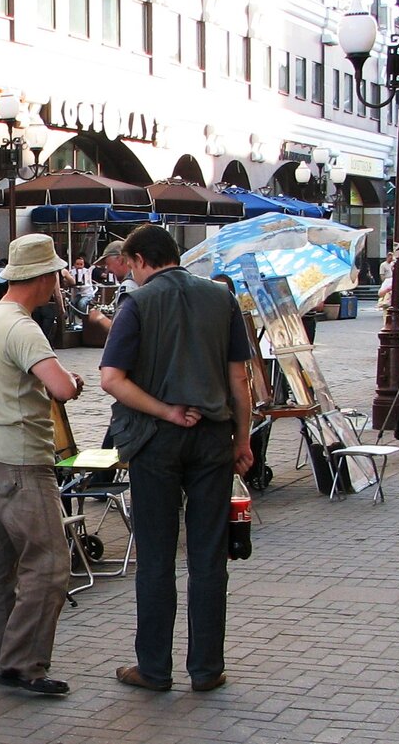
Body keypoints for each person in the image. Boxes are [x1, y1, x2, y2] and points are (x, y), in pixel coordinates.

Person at [99, 224, 253, 694]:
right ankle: (206, 669)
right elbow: (239, 379)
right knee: (209, 556)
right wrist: (242, 440)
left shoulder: (139, 303)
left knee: (157, 557)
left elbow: (111, 378)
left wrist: (165, 410)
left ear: (142, 259)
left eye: (131, 265)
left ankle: (154, 667)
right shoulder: (220, 298)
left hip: (156, 440)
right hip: (213, 438)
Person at [0, 233, 85, 696]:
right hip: (20, 458)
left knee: (0, 567)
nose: (59, 281)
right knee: (51, 564)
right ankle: (23, 663)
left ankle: (0, 658)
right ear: (43, 278)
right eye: (55, 274)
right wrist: (74, 380)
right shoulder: (23, 326)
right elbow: (59, 387)